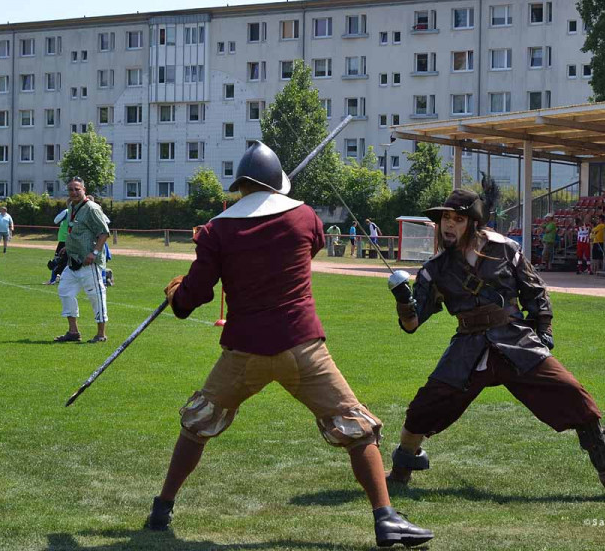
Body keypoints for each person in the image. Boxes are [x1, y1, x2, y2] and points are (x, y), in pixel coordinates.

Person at [146, 142, 433, 547]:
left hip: (244, 352)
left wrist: (175, 289)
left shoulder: (217, 229)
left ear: (241, 186)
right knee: (357, 428)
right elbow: (310, 246)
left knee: (197, 425)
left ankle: (162, 509)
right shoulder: (304, 217)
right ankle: (385, 518)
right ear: (277, 183)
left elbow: (191, 299)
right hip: (302, 347)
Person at [385, 189, 605, 492]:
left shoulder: (505, 249)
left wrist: (543, 331)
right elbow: (412, 324)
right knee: (424, 408)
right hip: (468, 347)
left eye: (457, 219)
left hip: (515, 340)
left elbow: (535, 291)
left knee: (572, 392)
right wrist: (404, 300)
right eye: (445, 218)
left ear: (473, 222)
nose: (449, 225)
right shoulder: (434, 270)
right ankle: (400, 472)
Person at [53, 177, 110, 343]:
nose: (74, 192)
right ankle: (73, 331)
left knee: (96, 297)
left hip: (89, 262)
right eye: (71, 189)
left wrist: (94, 252)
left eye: (77, 189)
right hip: (73, 260)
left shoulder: (92, 208)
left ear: (84, 190)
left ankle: (101, 334)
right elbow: (75, 231)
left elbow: (104, 232)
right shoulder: (72, 206)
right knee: (65, 291)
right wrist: (67, 247)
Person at [47, 208, 69, 285]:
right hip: (75, 240)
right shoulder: (80, 212)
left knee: (57, 260)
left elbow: (55, 220)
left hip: (64, 240)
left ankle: (53, 279)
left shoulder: (67, 211)